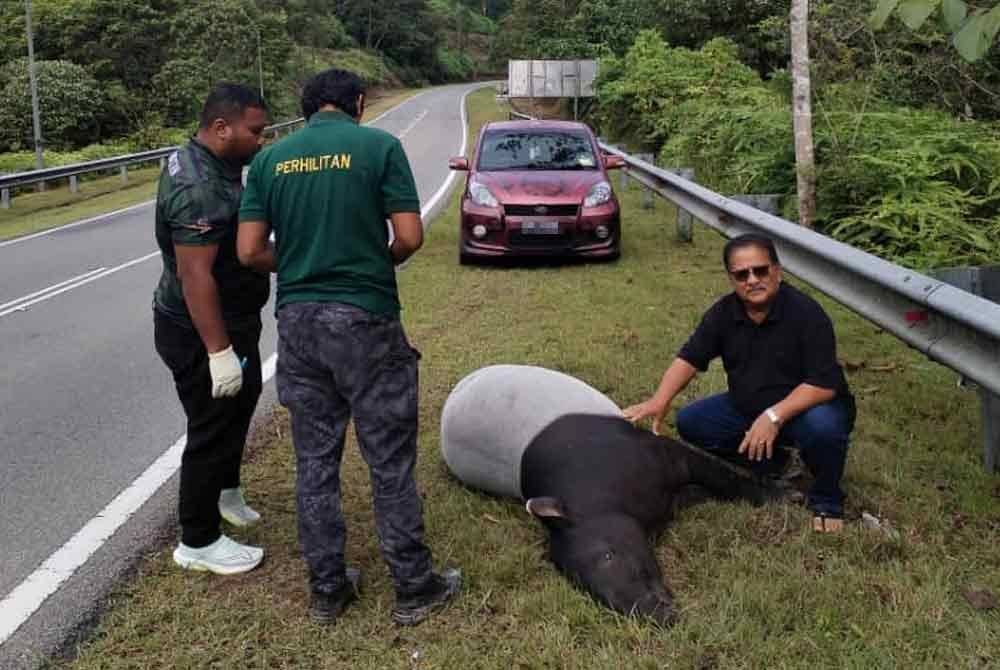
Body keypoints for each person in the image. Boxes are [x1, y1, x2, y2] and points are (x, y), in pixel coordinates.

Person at [236, 68, 461, 625]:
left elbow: (247, 252)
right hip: (367, 320)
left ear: (309, 108)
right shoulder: (380, 147)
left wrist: (301, 265)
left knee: (314, 461)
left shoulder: (269, 161)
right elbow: (408, 236)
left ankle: (329, 591)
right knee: (389, 462)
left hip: (298, 323)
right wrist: (365, 268)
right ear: (358, 103)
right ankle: (413, 587)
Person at [623, 233, 855, 533]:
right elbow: (689, 359)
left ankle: (826, 498)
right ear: (731, 278)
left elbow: (823, 384)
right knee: (692, 422)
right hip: (749, 404)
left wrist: (773, 417)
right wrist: (659, 400)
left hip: (808, 407)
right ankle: (776, 464)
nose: (752, 280)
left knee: (823, 428)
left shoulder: (807, 314)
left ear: (777, 271)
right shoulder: (723, 313)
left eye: (760, 270)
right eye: (741, 274)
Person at [153, 83, 271, 574]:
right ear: (221, 128)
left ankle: (225, 491)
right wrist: (218, 352)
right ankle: (197, 540)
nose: (261, 139)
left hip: (235, 320)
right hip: (200, 328)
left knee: (243, 402)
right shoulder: (198, 185)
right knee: (211, 425)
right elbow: (195, 274)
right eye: (255, 130)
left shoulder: (217, 165)